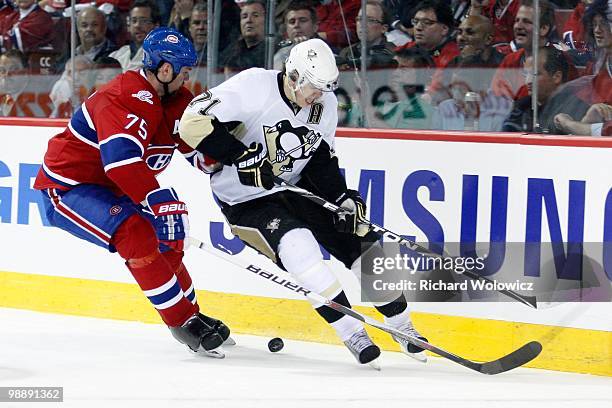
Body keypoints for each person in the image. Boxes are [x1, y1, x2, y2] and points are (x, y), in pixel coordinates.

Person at [178, 38, 428, 367]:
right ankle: (352, 332)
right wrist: (240, 156)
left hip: (295, 186)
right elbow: (191, 124)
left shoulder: (323, 104)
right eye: (312, 87)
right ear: (293, 76)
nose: (317, 96)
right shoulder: (254, 85)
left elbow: (320, 157)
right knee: (299, 248)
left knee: (362, 239)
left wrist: (342, 197)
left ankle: (402, 325)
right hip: (245, 199)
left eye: (323, 89)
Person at [33, 27, 231, 357]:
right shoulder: (122, 96)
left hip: (119, 189)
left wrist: (230, 155)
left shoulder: (180, 100)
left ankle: (195, 316)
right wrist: (158, 199)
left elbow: (198, 154)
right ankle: (183, 323)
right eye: (184, 71)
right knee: (136, 233)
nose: (187, 77)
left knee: (170, 239)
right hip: (68, 188)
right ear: (165, 69)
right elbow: (121, 164)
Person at [338, 1, 396, 70]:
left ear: (384, 28)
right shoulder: (346, 52)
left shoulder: (393, 54)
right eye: (359, 19)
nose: (362, 24)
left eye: (370, 20)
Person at [110, 0, 160, 72]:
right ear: (128, 27)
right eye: (134, 21)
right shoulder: (116, 55)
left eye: (144, 21)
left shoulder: (161, 56)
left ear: (156, 26)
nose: (137, 25)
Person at [273, 1, 321, 71]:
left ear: (315, 27)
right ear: (286, 29)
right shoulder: (280, 55)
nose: (296, 25)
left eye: (303, 20)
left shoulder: (326, 52)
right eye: (292, 22)